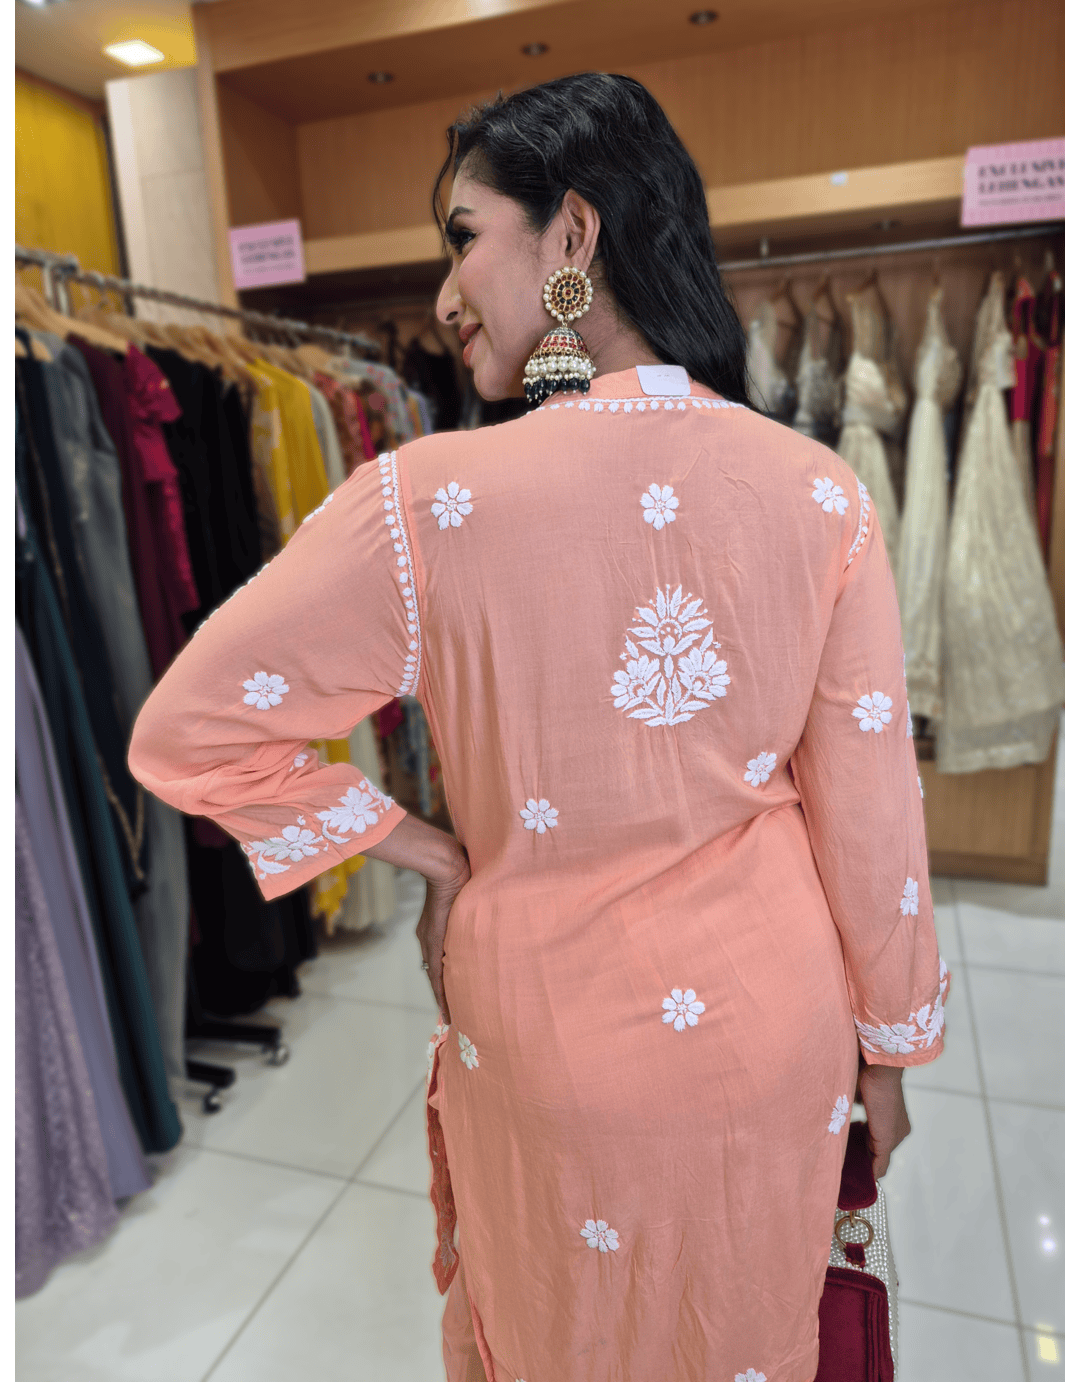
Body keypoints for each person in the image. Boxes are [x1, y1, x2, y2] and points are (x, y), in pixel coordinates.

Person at [129, 72, 946, 1382]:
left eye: (462, 237)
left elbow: (187, 729)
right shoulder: (818, 493)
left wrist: (421, 849)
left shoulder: (425, 504)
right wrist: (893, 1054)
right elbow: (869, 813)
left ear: (573, 236)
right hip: (777, 1034)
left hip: (554, 1053)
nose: (444, 294)